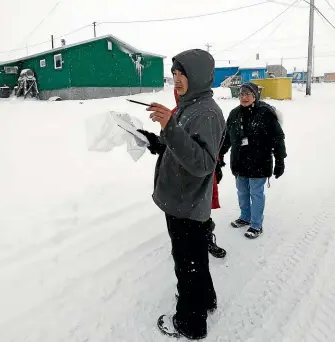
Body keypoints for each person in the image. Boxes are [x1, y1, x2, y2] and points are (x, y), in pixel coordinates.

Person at [140, 49, 226, 340]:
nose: (176, 80)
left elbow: (203, 164)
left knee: (187, 263)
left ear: (198, 76)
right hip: (181, 199)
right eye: (175, 74)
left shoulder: (207, 113)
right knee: (196, 259)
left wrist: (170, 127)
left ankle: (190, 323)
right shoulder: (190, 105)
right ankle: (207, 300)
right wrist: (158, 139)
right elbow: (180, 144)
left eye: (183, 75)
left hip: (187, 203)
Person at [138, 88, 226, 259]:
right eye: (176, 91)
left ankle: (206, 239)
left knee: (201, 210)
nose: (179, 92)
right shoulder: (175, 113)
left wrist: (219, 162)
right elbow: (169, 145)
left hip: (200, 174)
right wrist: (152, 140)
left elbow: (210, 148)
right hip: (179, 178)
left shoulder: (205, 113)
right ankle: (192, 246)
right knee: (187, 222)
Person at [218, 82, 286, 239]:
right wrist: (220, 154)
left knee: (256, 193)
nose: (244, 97)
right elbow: (227, 137)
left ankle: (256, 225)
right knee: (242, 191)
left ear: (255, 96)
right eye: (241, 94)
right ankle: (245, 217)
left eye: (248, 94)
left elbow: (278, 138)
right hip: (239, 161)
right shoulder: (234, 114)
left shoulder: (265, 113)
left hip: (259, 161)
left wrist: (280, 160)